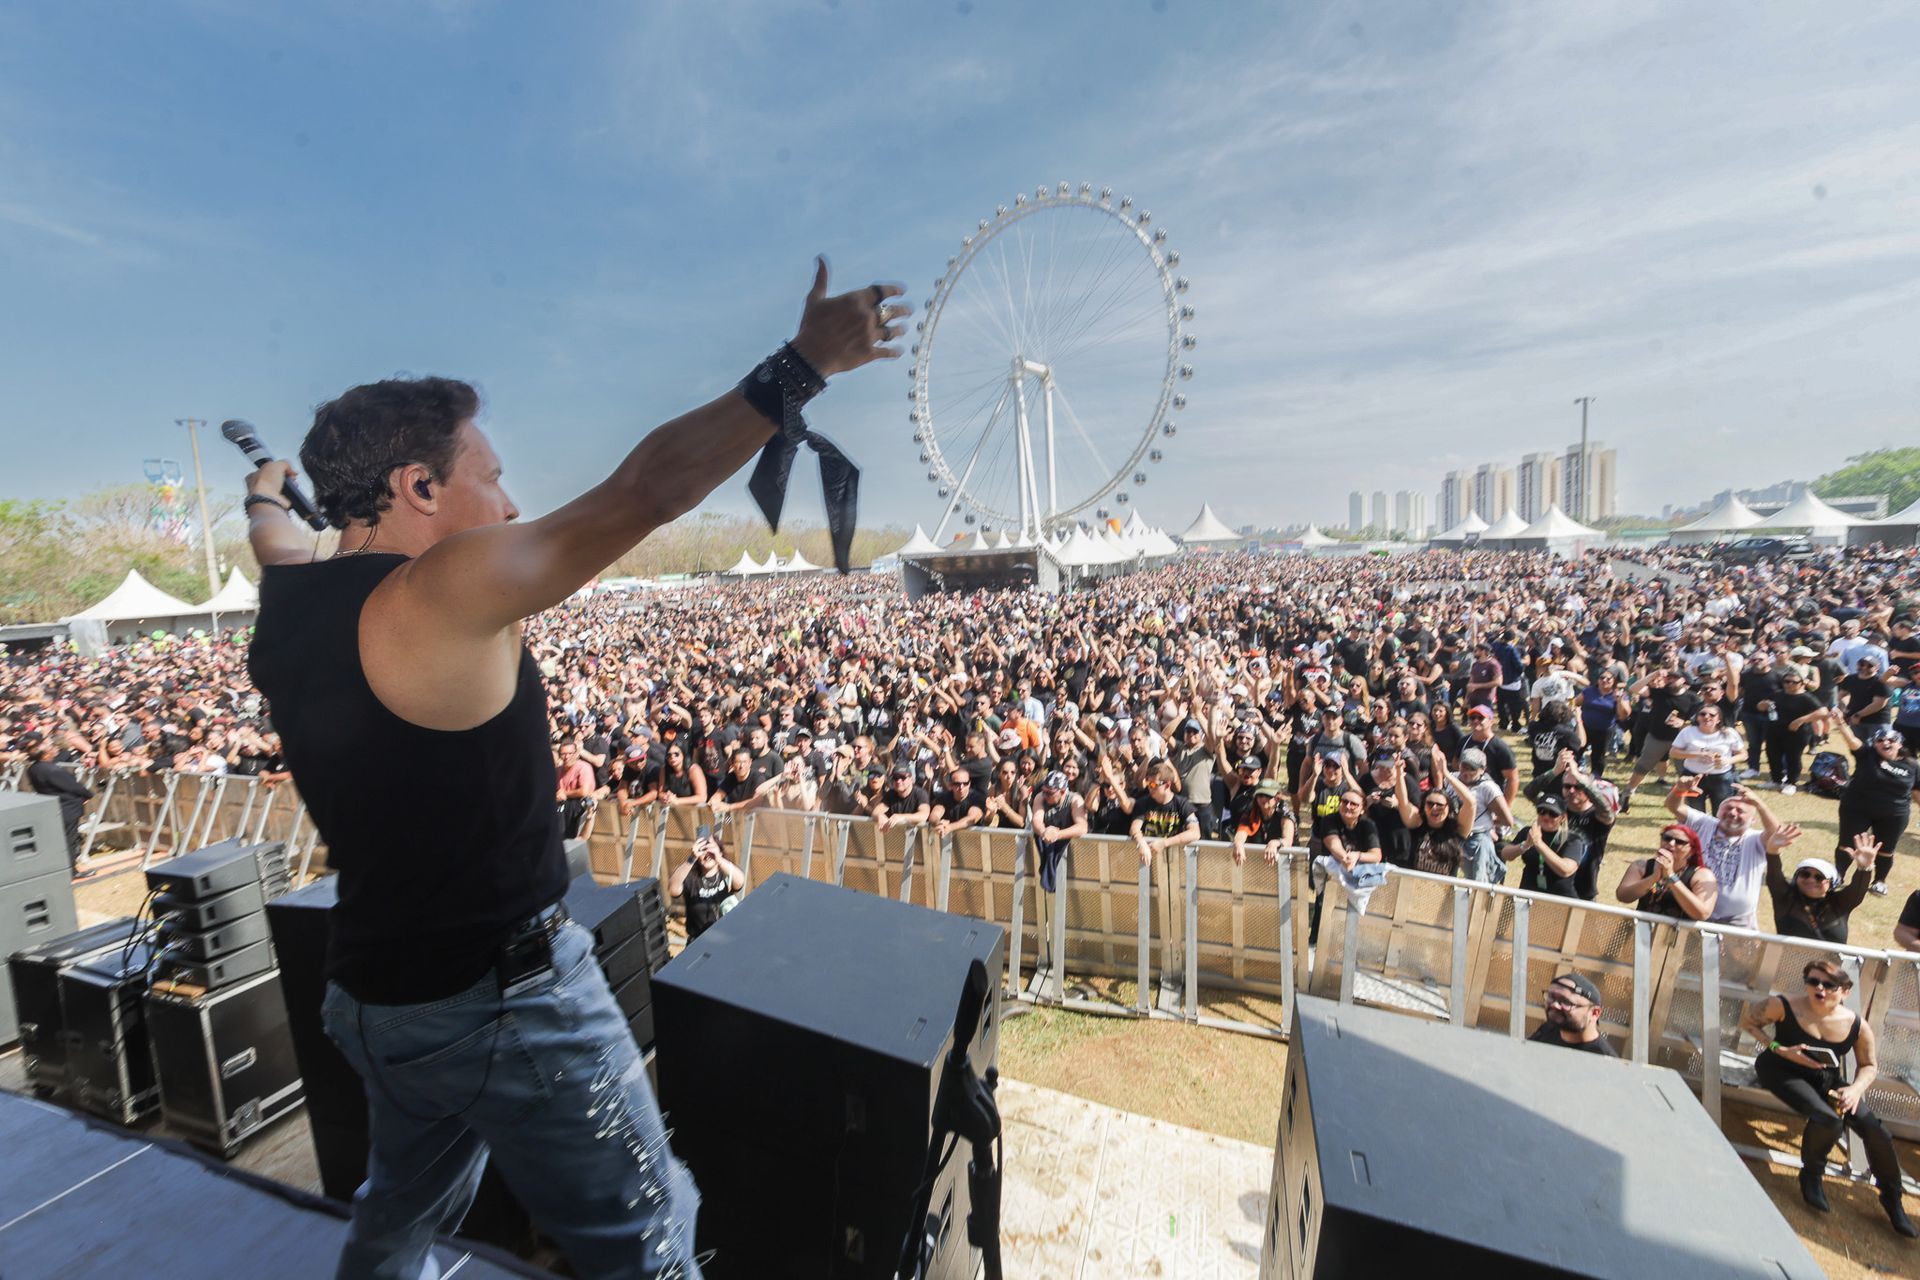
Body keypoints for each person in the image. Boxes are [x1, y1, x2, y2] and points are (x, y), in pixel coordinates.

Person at [245, 259, 903, 1278]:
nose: (511, 497)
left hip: (373, 995)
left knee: (401, 1206)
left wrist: (263, 493)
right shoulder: (437, 592)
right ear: (420, 488)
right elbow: (644, 491)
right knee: (650, 1233)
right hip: (507, 1001)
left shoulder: (284, 601)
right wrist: (804, 364)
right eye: (490, 474)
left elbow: (277, 533)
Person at [1740, 960, 1915, 1236]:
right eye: (1812, 981)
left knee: (1876, 1131)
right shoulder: (1783, 1004)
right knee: (1829, 1120)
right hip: (1780, 1069)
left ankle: (1892, 1198)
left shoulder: (1857, 1025)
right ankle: (1812, 1175)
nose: (1818, 988)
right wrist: (1779, 1048)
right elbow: (1748, 1022)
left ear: (1844, 991)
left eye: (1828, 984)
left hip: (1825, 1079)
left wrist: (1856, 1089)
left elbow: (1869, 1065)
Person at [1662, 780, 1786, 929]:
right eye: (1728, 808)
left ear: (1753, 819)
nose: (1733, 813)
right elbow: (1674, 806)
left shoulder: (1756, 840)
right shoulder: (1704, 823)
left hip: (1738, 921)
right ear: (1719, 811)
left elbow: (1776, 834)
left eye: (1740, 811)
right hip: (1693, 910)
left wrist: (1760, 804)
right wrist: (1680, 789)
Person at [1827, 720, 1916, 896]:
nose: (1885, 742)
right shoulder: (1867, 755)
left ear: (1900, 744)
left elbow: (1917, 792)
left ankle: (1879, 881)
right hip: (1857, 808)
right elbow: (1851, 739)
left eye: (1891, 740)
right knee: (1847, 844)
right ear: (1874, 744)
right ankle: (1838, 875)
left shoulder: (1912, 766)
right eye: (1880, 740)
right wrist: (1841, 723)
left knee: (1885, 850)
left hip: (1894, 814)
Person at [1766, 835, 1877, 945]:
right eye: (1805, 874)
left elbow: (1858, 888)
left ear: (1831, 884)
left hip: (1829, 963)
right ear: (1796, 877)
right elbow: (1774, 876)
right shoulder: (1785, 898)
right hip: (1787, 962)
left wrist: (1864, 868)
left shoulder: (1840, 903)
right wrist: (1772, 851)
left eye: (1819, 877)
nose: (1811, 880)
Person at [1614, 824, 1720, 920]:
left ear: (1691, 851)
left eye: (1679, 842)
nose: (1671, 843)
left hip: (1678, 937)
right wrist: (1653, 879)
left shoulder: (1702, 875)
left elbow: (1702, 914)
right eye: (1667, 838)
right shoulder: (1641, 866)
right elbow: (1623, 896)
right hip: (1640, 932)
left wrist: (1671, 877)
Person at [1498, 794, 1592, 898]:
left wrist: (1539, 844)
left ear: (1563, 817)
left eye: (1553, 813)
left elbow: (1566, 870)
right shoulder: (1528, 832)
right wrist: (1525, 845)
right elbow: (1505, 854)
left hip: (1560, 901)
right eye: (1542, 811)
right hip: (1527, 896)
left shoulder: (1572, 839)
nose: (1546, 816)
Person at [24, 740, 95, 878]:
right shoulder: (51, 769)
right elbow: (72, 786)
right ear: (45, 755)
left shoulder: (34, 768)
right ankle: (71, 871)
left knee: (65, 839)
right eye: (51, 747)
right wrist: (87, 794)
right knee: (69, 840)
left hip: (56, 807)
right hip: (66, 807)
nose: (55, 749)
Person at [666, 831, 744, 942]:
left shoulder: (725, 873)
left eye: (710, 850)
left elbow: (740, 881)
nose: (707, 855)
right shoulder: (691, 878)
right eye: (703, 851)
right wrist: (691, 859)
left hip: (725, 937)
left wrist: (719, 859)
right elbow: (672, 889)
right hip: (698, 940)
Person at [1668, 704, 1745, 814]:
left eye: (1712, 715)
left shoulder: (1729, 733)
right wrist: (1697, 754)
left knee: (1721, 811)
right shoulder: (1688, 731)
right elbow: (1673, 752)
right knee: (1695, 812)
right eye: (1702, 714)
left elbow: (1743, 754)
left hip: (1721, 777)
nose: (1707, 717)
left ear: (1719, 719)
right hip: (1693, 776)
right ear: (1697, 717)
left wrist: (1727, 761)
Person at [1129, 761, 1200, 870]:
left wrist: (1165, 843)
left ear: (1167, 785)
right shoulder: (1143, 803)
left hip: (1175, 862)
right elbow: (1134, 828)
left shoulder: (1182, 804)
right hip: (1148, 861)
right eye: (1148, 783)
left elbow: (1195, 833)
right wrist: (1141, 843)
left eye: (1153, 785)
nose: (1150, 788)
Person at [1527, 972, 1618, 1056]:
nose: (1555, 1005)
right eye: (1551, 997)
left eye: (1566, 1002)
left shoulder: (1603, 1061)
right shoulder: (1548, 1029)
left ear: (1594, 1013)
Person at [1029, 770, 1087, 893]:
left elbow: (1082, 827)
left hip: (1072, 854)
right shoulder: (1040, 797)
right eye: (1044, 791)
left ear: (1063, 792)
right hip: (1048, 845)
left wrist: (1057, 834)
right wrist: (1044, 832)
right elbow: (1036, 820)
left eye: (1049, 793)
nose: (1045, 795)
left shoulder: (1074, 800)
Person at [1229, 778, 1295, 867]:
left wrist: (1275, 843)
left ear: (1277, 798)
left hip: (1286, 864)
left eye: (1268, 796)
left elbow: (1288, 840)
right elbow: (1241, 832)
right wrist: (1238, 843)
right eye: (1260, 795)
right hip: (1258, 864)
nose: (1263, 799)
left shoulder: (1285, 815)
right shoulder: (1251, 812)